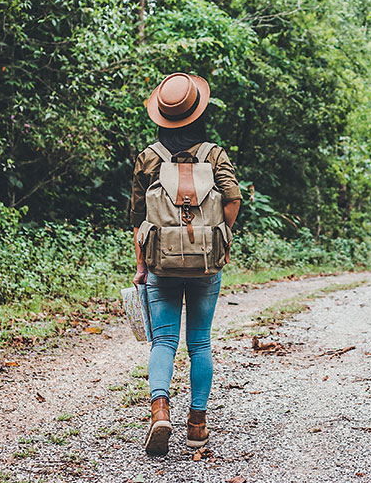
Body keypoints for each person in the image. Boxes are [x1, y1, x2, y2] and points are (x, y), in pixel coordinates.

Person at [129, 72, 242, 456]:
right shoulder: (214, 154)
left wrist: (142, 265)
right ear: (198, 112)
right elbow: (233, 198)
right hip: (206, 263)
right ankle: (197, 424)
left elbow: (137, 219)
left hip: (161, 261)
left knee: (163, 340)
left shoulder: (148, 158)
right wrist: (219, 237)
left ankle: (160, 410)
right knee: (199, 343)